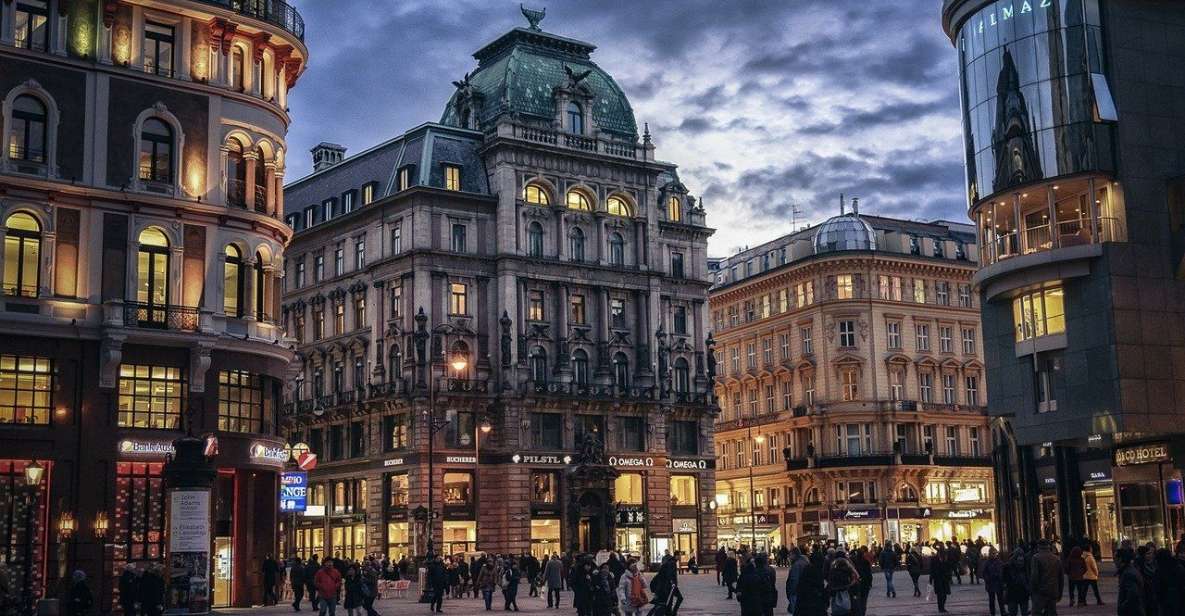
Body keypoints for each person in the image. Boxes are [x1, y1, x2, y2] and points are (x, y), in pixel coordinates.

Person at [1028, 540, 1062, 616]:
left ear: (1038, 547)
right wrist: (1059, 592)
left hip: (1041, 592)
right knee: (1052, 612)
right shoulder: (1056, 558)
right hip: (1053, 590)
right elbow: (1060, 577)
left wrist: (1033, 590)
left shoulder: (1036, 558)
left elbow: (1034, 576)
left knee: (1036, 612)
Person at [1153, 548, 1185, 616]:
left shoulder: (1160, 570)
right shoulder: (1179, 567)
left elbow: (1158, 588)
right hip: (1179, 600)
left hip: (1166, 602)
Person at [825, 551, 858, 616]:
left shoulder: (832, 571)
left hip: (835, 603)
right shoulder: (849, 570)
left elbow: (830, 586)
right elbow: (855, 585)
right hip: (848, 601)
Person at [1117, 549, 1146, 616]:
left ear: (1120, 559)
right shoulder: (1129, 570)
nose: (1114, 561)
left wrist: (1122, 607)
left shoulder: (1128, 574)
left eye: (1115, 558)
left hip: (1132, 612)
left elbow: (1132, 594)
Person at [981, 547, 1006, 616]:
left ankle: (1003, 612)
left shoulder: (999, 562)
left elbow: (1003, 572)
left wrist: (1002, 580)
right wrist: (988, 579)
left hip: (998, 584)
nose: (993, 555)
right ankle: (993, 613)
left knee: (1001, 600)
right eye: (992, 553)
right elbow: (983, 573)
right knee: (992, 600)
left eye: (994, 553)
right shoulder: (987, 563)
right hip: (991, 584)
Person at [785, 546, 808, 614]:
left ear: (794, 555)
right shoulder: (805, 562)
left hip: (796, 593)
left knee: (796, 611)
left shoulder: (796, 565)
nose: (789, 557)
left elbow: (794, 580)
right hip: (803, 592)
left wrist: (790, 593)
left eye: (790, 555)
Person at [929, 548, 952, 614]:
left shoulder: (946, 559)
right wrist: (931, 579)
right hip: (937, 579)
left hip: (945, 578)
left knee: (945, 594)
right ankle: (941, 608)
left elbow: (949, 568)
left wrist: (949, 577)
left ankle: (943, 606)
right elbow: (932, 569)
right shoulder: (934, 559)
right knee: (940, 594)